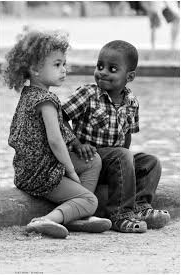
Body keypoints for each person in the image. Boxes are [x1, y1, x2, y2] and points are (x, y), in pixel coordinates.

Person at [3, 30, 112, 239]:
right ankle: (47, 220)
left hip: (27, 169)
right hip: (41, 174)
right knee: (91, 200)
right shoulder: (47, 101)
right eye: (57, 65)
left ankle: (78, 215)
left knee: (92, 160)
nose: (64, 70)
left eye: (64, 64)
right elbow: (55, 140)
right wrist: (70, 171)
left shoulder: (29, 95)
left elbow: (58, 135)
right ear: (35, 69)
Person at [62, 40, 171, 233]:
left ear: (129, 76)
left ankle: (141, 206)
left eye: (112, 69)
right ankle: (120, 214)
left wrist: (126, 168)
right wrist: (76, 143)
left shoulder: (132, 102)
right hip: (89, 160)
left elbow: (127, 137)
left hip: (116, 163)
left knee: (151, 161)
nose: (103, 72)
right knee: (122, 155)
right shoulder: (88, 94)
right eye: (100, 66)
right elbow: (58, 118)